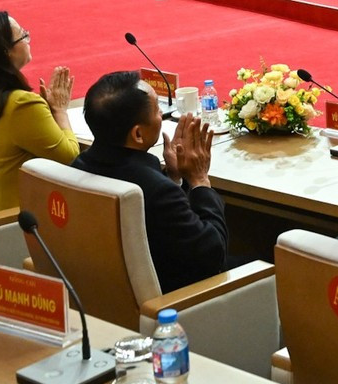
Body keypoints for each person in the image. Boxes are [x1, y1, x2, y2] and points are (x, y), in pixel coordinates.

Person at [72, 70, 228, 292]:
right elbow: (213, 255)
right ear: (137, 134)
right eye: (157, 110)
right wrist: (200, 180)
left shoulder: (78, 166)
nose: (162, 116)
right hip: (173, 300)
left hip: (103, 291)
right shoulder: (156, 191)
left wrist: (174, 177)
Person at [0, 11, 77, 217]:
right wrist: (60, 110)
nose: (28, 40)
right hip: (8, 227)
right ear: (6, 52)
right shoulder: (21, 105)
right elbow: (70, 157)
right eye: (22, 36)